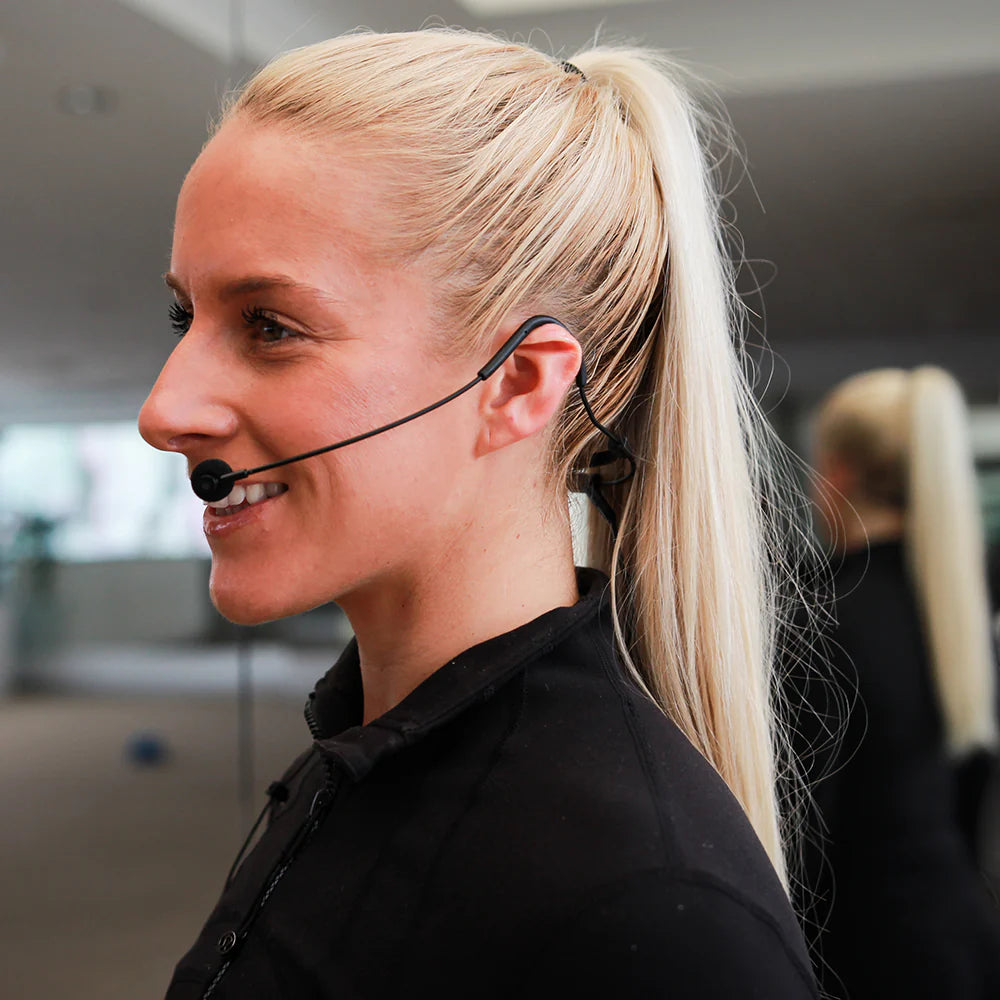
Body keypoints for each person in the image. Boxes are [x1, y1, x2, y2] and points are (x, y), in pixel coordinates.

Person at [138, 29, 817, 999]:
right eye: (184, 317)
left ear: (519, 385)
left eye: (270, 326)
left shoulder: (645, 909)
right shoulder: (368, 746)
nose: (162, 410)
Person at [802, 366, 1000, 998]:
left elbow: (802, 826)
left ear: (834, 475)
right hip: (963, 938)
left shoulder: (819, 615)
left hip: (864, 953)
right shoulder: (962, 616)